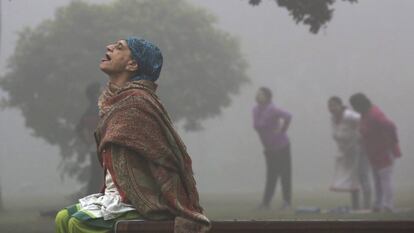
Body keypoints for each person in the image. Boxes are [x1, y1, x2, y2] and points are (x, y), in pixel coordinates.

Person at [55, 37, 210, 233]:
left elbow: (164, 157)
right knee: (63, 218)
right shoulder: (114, 102)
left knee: (79, 224)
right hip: (113, 197)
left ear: (133, 64)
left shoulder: (137, 102)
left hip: (141, 203)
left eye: (119, 47)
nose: (108, 46)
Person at [350, 93, 401, 212]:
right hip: (373, 153)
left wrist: (392, 144)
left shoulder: (375, 114)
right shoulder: (364, 115)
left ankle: (388, 205)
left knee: (385, 178)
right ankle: (378, 204)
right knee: (377, 179)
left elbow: (391, 126)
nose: (354, 109)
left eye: (355, 105)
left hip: (384, 152)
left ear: (361, 104)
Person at [327, 96, 371, 210]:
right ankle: (356, 206)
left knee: (362, 176)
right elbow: (337, 135)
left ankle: (367, 206)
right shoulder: (333, 119)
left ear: (340, 105)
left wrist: (360, 137)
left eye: (333, 105)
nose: (331, 108)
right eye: (329, 106)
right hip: (347, 152)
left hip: (359, 150)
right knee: (352, 179)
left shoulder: (349, 115)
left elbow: (363, 121)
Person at [253, 87, 292, 210]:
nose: (258, 96)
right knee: (271, 175)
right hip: (269, 149)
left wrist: (282, 130)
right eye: (257, 94)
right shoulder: (255, 110)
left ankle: (286, 202)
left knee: (285, 174)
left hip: (281, 146)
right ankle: (266, 203)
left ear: (268, 97)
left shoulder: (273, 109)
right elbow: (258, 127)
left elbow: (288, 116)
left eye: (261, 94)